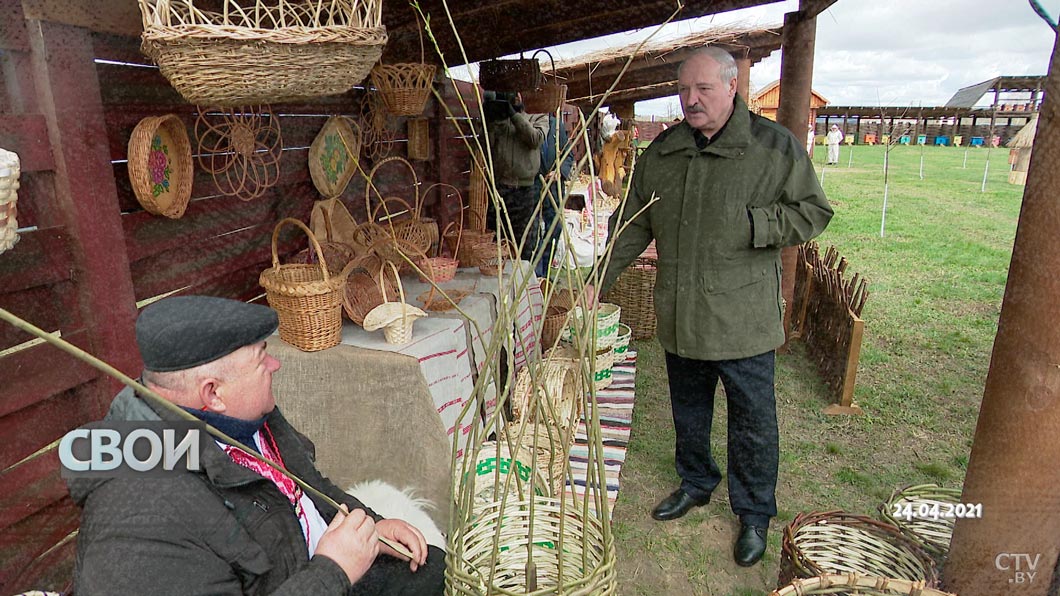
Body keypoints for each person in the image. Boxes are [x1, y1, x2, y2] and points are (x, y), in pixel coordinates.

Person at [598, 46, 833, 567]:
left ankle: (753, 514)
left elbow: (814, 212)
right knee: (689, 409)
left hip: (744, 320)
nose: (691, 100)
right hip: (682, 312)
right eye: (683, 90)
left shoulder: (773, 148)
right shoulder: (663, 153)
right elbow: (634, 226)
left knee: (752, 421)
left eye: (703, 89)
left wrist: (757, 225)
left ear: (732, 87)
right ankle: (697, 481)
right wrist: (595, 279)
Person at [67, 295, 445, 595]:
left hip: (311, 570)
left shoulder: (243, 420)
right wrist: (332, 572)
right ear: (213, 393)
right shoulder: (143, 520)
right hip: (319, 578)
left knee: (437, 571)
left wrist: (373, 528)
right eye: (261, 359)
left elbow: (307, 486)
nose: (275, 365)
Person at [484, 91, 549, 262]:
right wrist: (489, 119)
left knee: (525, 243)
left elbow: (535, 139)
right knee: (496, 239)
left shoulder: (538, 116)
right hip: (500, 187)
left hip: (526, 190)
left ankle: (524, 283)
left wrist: (514, 115)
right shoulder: (501, 117)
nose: (517, 97)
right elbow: (487, 147)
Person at [533, 112, 575, 277]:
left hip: (554, 188)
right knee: (533, 231)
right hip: (532, 187)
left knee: (554, 229)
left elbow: (568, 155)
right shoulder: (528, 122)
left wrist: (560, 170)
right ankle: (535, 275)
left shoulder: (556, 125)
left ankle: (546, 271)